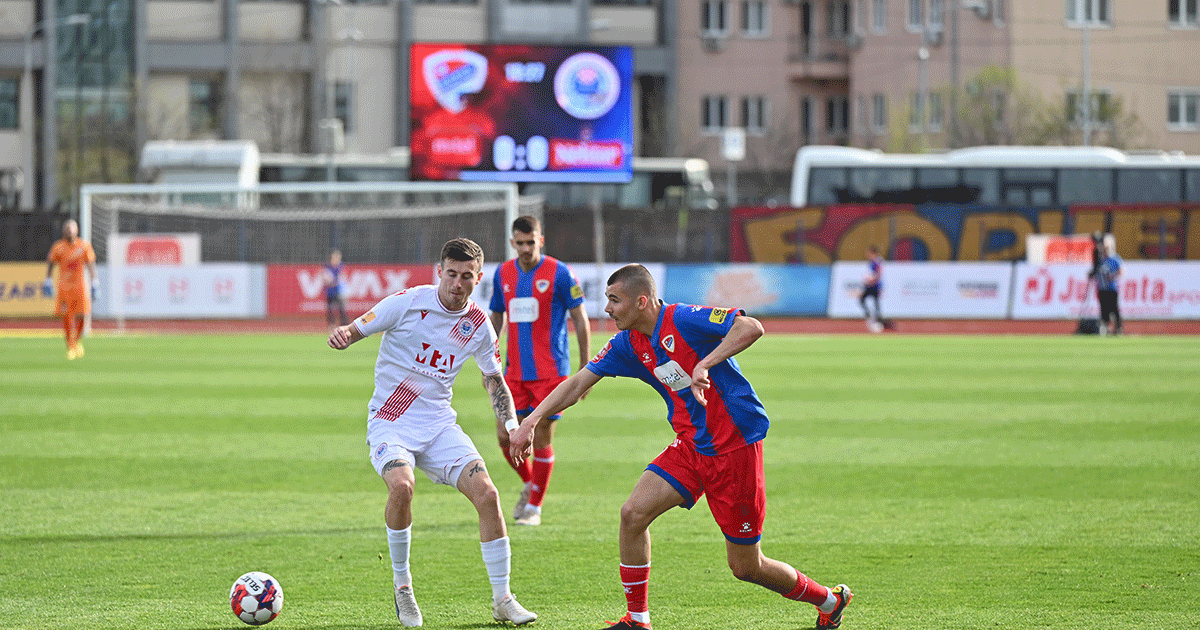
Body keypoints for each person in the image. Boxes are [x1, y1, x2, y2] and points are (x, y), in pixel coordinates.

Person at [508, 264, 853, 630]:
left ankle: (830, 600)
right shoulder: (628, 343)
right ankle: (638, 620)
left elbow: (750, 326)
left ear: (641, 302)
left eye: (614, 300)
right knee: (633, 515)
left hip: (734, 448)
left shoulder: (684, 320)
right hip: (690, 446)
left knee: (746, 567)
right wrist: (531, 421)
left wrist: (706, 362)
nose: (607, 309)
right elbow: (577, 384)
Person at [328, 238, 537, 628]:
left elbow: (494, 380)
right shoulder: (408, 302)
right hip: (392, 419)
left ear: (478, 279)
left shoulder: (477, 325)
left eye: (467, 277)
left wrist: (512, 426)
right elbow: (356, 329)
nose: (458, 283)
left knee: (488, 493)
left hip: (439, 424)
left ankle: (503, 599)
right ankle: (403, 587)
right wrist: (344, 335)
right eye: (452, 274)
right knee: (402, 486)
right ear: (440, 271)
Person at [488, 216, 591, 526]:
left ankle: (534, 507)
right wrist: (489, 364)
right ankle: (531, 483)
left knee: (541, 435)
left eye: (531, 242)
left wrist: (585, 370)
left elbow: (581, 320)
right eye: (520, 243)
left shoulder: (560, 273)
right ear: (512, 243)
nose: (525, 248)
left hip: (551, 372)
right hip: (514, 372)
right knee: (505, 438)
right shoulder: (503, 273)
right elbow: (496, 318)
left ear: (540, 241)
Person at [44, 219, 97, 360]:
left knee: (82, 315)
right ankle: (70, 346)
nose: (68, 230)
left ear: (77, 230)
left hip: (80, 286)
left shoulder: (84, 246)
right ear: (63, 231)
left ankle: (76, 341)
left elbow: (91, 264)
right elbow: (51, 263)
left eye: (71, 228)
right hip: (64, 287)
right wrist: (48, 280)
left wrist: (95, 282)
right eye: (66, 228)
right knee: (67, 316)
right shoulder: (58, 247)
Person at [1096, 236, 1123, 336]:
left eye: (1106, 248)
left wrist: (1113, 275)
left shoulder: (1114, 259)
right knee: (1104, 309)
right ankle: (1106, 329)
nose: (1105, 250)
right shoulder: (1100, 260)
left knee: (1114, 309)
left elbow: (1121, 271)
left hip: (1112, 288)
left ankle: (1119, 328)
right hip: (1102, 288)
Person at [322, 248, 348, 329]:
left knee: (341, 309)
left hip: (339, 292)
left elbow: (343, 279)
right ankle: (331, 325)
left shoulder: (341, 267)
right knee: (330, 309)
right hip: (330, 292)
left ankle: (344, 325)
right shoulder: (327, 267)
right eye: (334, 257)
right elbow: (325, 279)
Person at [859, 245, 883, 333]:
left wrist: (871, 280)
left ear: (873, 253)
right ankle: (871, 317)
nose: (868, 255)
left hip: (874, 286)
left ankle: (876, 321)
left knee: (875, 302)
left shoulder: (877, 262)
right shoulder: (872, 262)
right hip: (870, 285)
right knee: (863, 300)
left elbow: (878, 274)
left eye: (869, 253)